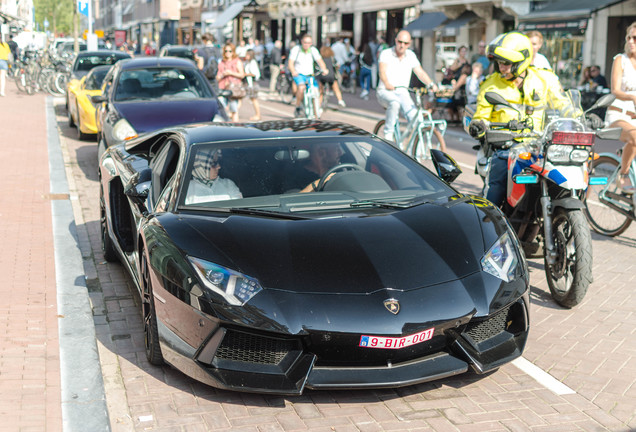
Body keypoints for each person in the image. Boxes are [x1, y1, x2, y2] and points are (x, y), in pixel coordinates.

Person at [468, 31, 590, 206]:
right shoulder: (490, 85)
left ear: (521, 61)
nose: (501, 67)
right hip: (505, 147)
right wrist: (478, 124)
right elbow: (482, 114)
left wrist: (581, 117)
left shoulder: (544, 79)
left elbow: (562, 103)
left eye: (506, 63)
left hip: (539, 146)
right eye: (499, 63)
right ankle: (487, 226)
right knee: (495, 190)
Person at [376, 29, 446, 151]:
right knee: (394, 103)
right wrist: (387, 83)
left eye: (406, 43)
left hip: (403, 92)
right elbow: (382, 71)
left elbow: (420, 72)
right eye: (400, 42)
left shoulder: (411, 56)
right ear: (396, 41)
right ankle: (388, 133)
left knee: (416, 119)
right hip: (385, 91)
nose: (402, 45)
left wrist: (431, 84)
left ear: (409, 44)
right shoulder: (386, 53)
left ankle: (414, 153)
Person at [606, 22, 636, 193]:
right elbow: (615, 90)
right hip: (619, 114)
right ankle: (623, 175)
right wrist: (632, 96)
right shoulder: (620, 59)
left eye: (635, 38)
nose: (631, 41)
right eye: (629, 37)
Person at [288, 34, 328, 118]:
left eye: (309, 43)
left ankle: (316, 110)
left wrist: (324, 69)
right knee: (301, 87)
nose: (307, 44)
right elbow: (290, 63)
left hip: (310, 75)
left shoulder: (313, 50)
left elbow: (320, 61)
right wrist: (293, 71)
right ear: (302, 42)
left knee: (317, 90)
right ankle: (298, 106)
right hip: (299, 74)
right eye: (305, 42)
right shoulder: (296, 50)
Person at [216, 42, 245, 122]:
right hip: (222, 88)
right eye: (226, 51)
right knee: (221, 108)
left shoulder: (237, 61)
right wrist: (222, 75)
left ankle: (236, 129)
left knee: (234, 109)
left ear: (233, 52)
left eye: (230, 51)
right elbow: (217, 77)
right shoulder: (221, 62)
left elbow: (242, 75)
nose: (228, 53)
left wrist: (231, 73)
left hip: (232, 89)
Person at [243, 49, 262, 120]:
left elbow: (255, 74)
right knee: (241, 98)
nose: (246, 56)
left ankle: (258, 115)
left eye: (247, 54)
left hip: (252, 84)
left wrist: (245, 74)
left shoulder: (253, 62)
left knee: (254, 99)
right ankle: (233, 112)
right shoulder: (248, 62)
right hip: (249, 83)